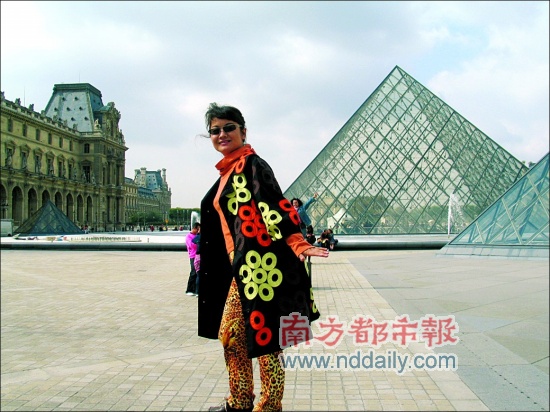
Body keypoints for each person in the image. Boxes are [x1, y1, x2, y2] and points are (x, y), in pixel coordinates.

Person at [198, 103, 329, 412]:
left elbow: (274, 204)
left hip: (262, 267)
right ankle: (241, 400)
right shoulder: (228, 171)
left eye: (229, 127)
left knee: (266, 340)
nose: (222, 134)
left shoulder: (253, 164)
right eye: (215, 130)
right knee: (234, 335)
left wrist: (298, 242)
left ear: (243, 131)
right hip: (241, 267)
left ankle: (267, 406)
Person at [185, 222, 200, 296]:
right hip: (193, 256)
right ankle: (189, 289)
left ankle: (195, 289)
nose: (198, 231)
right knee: (193, 272)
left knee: (198, 273)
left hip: (198, 256)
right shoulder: (189, 236)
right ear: (194, 228)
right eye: (197, 229)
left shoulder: (197, 236)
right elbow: (192, 245)